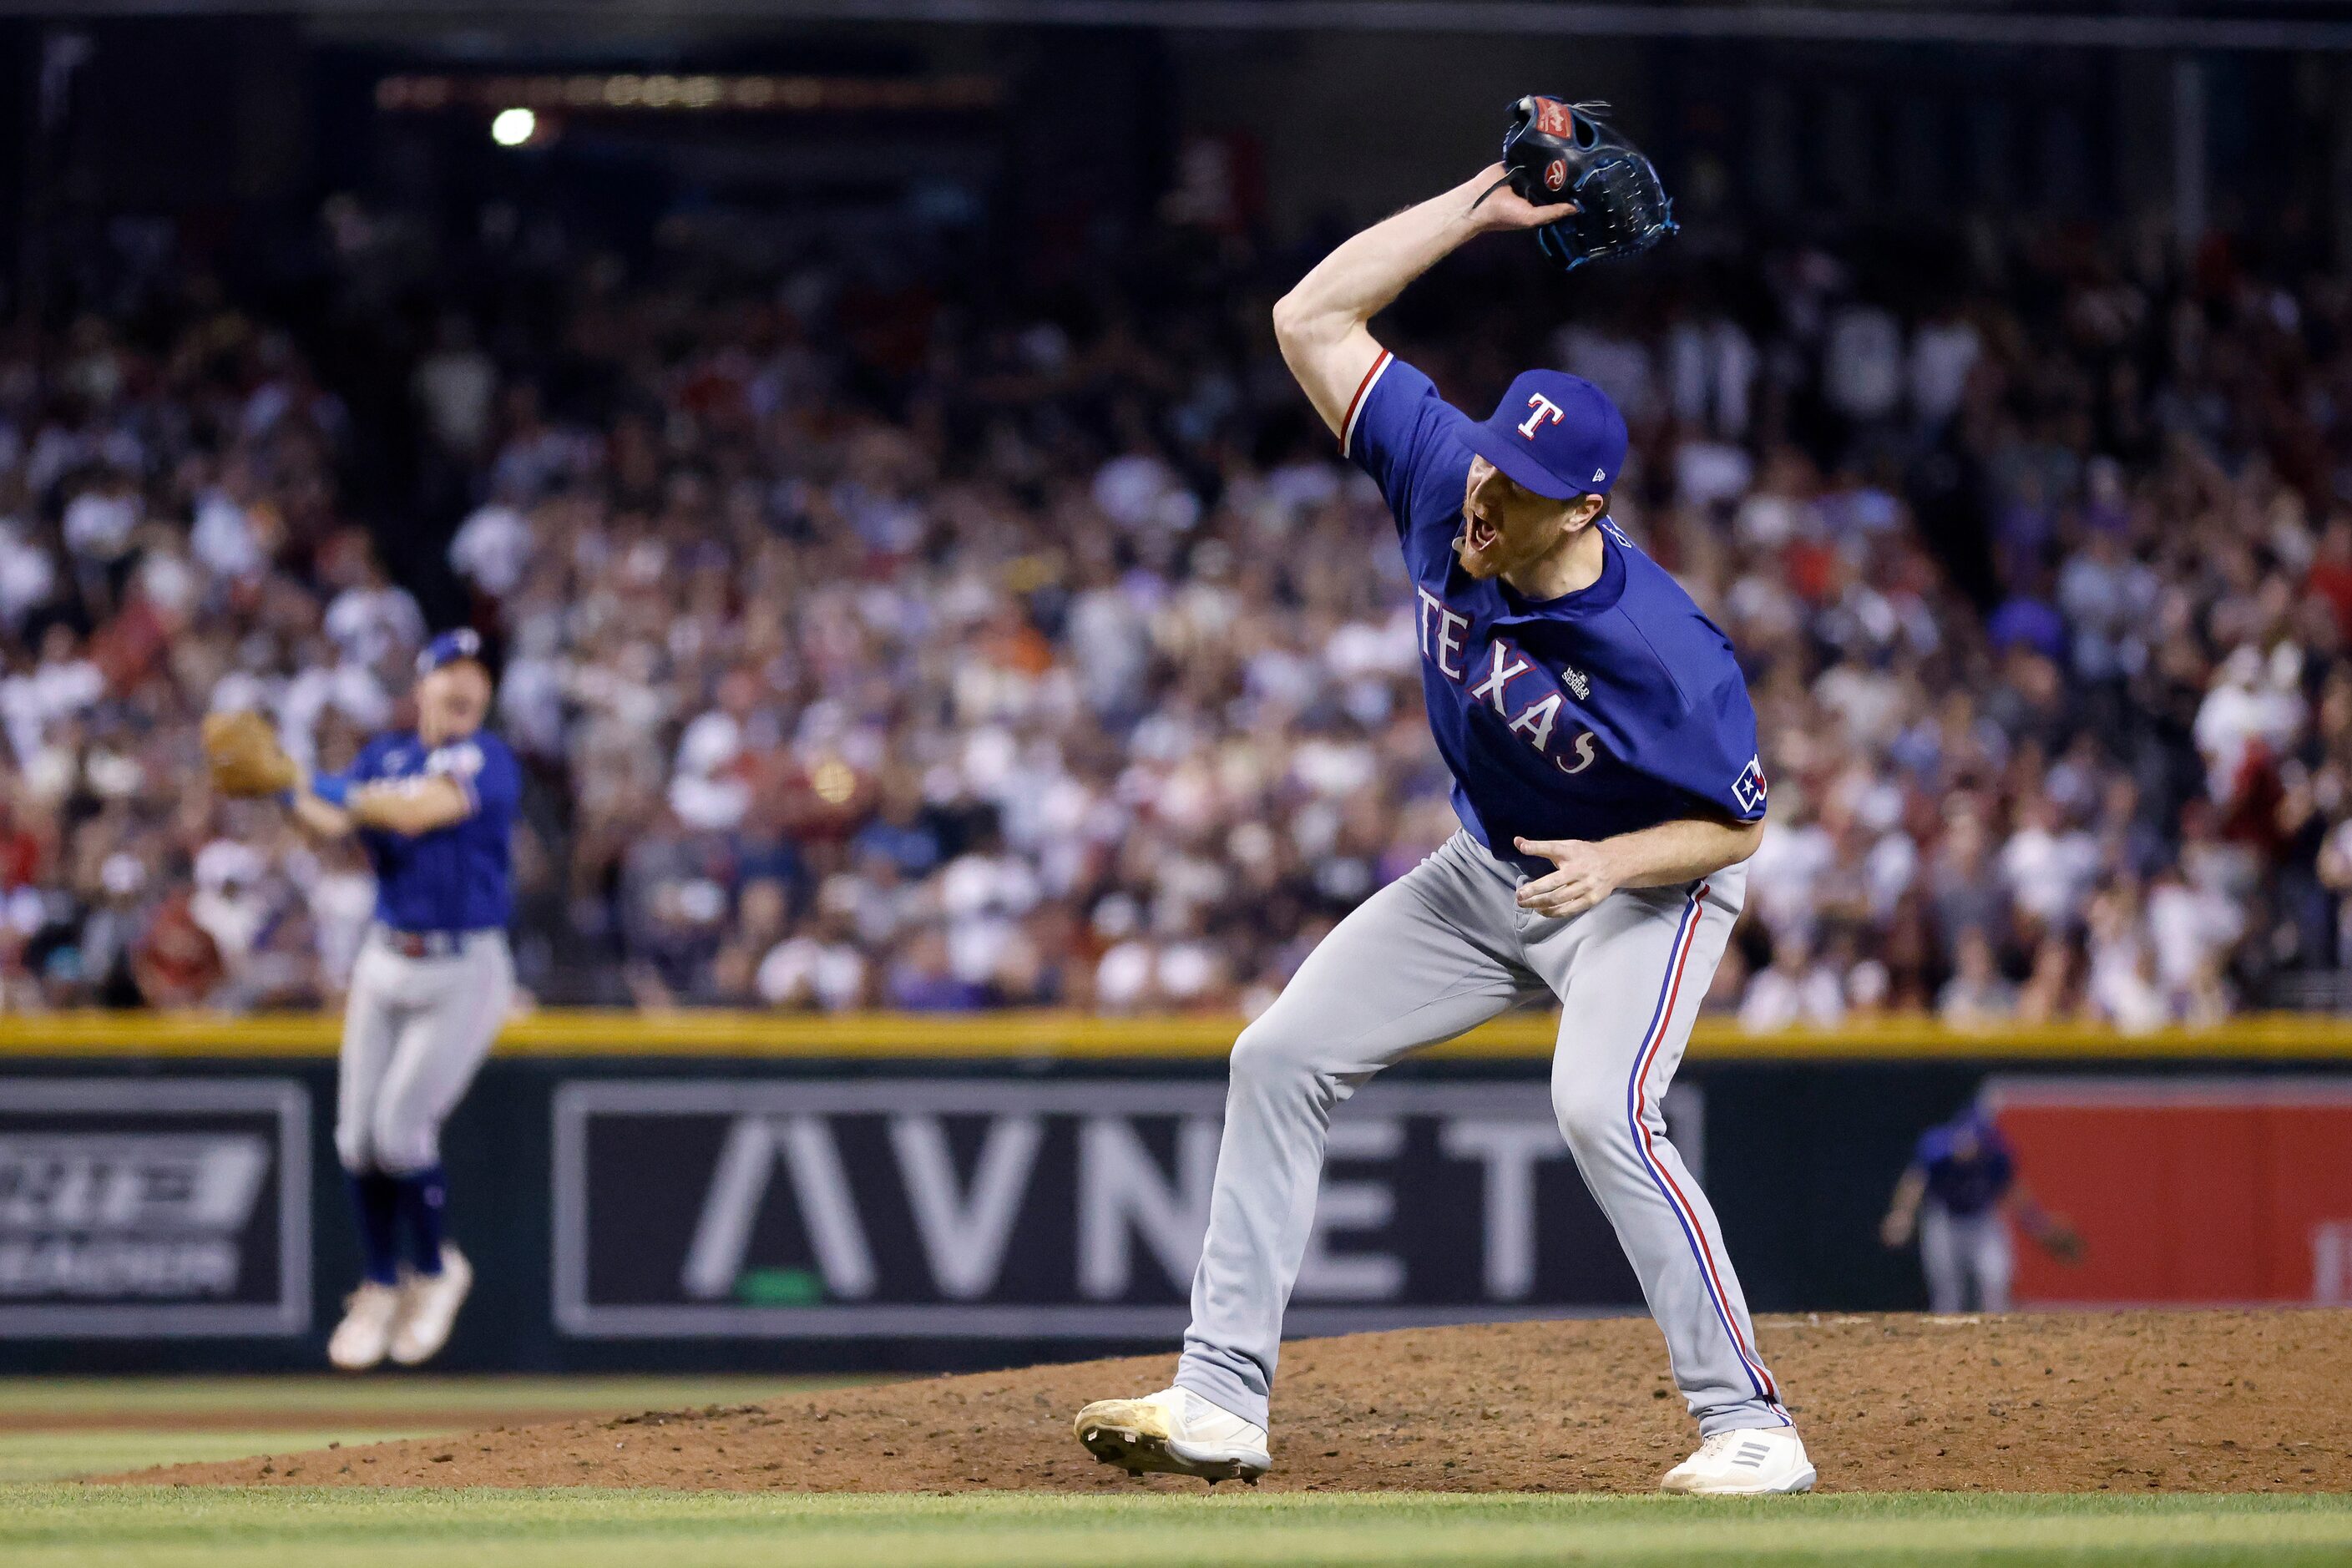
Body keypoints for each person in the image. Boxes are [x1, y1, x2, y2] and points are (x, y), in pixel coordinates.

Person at [1072, 160, 1811, 1495]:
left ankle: (1750, 1422)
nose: (1485, 494)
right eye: (1490, 462)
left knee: (1600, 1107)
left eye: (1519, 486)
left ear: (1582, 509)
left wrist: (1620, 865)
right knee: (1278, 1055)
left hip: (1643, 890)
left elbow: (1740, 828)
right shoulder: (1440, 469)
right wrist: (1472, 210)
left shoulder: (1662, 650)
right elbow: (1309, 318)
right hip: (1491, 871)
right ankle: (1221, 1398)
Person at [283, 629, 518, 1370]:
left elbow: (414, 813)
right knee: (355, 1137)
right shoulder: (383, 757)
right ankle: (382, 1283)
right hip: (386, 958)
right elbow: (332, 822)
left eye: (478, 674)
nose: (466, 684)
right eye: (452, 669)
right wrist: (282, 792)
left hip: (464, 969)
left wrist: (307, 780)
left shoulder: (486, 757)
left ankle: (439, 1270)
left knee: (398, 1132)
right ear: (422, 685)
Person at [1880, 1102, 2082, 1313]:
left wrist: (2037, 1224)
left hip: (1982, 1220)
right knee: (1948, 1291)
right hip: (1945, 1219)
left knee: (1997, 1280)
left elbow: (2014, 1191)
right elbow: (1915, 1181)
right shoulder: (1938, 1150)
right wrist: (1902, 1215)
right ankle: (1940, 1342)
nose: (1966, 1148)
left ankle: (1999, 1339)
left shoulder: (1996, 1157)